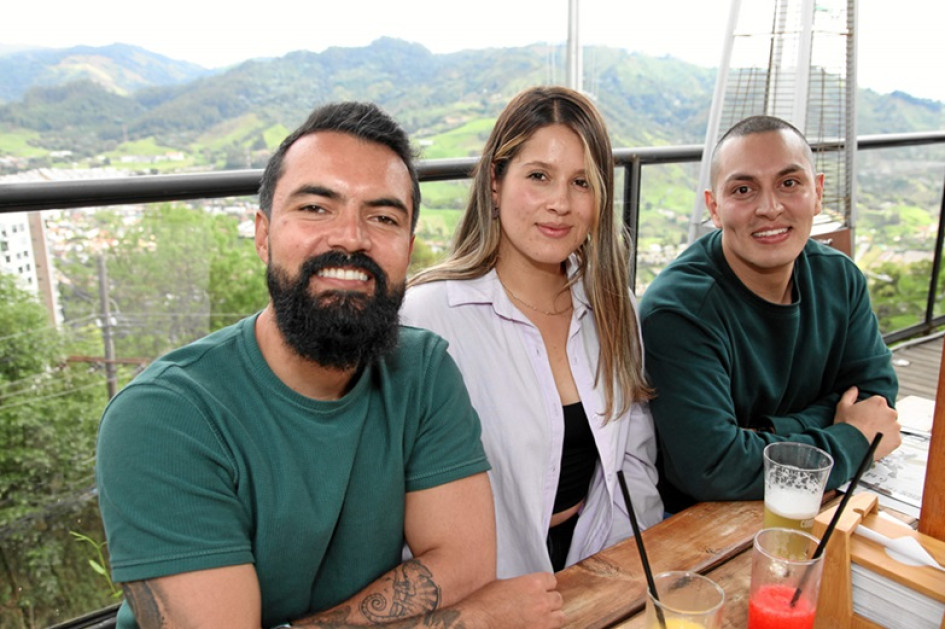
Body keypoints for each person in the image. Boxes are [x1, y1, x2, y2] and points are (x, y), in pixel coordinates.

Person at [95, 101, 565, 629]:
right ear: (263, 234)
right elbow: (470, 600)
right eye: (316, 208)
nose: (350, 237)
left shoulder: (423, 370)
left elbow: (464, 565)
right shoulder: (163, 420)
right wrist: (473, 621)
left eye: (382, 217)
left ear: (408, 250)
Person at [401, 86, 663, 577]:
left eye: (581, 182)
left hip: (597, 569)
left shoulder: (613, 306)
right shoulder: (425, 320)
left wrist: (636, 580)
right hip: (481, 589)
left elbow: (635, 468)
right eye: (539, 176)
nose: (560, 203)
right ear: (495, 183)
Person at [638, 115, 902, 513]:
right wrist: (850, 436)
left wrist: (764, 433)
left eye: (789, 183)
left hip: (814, 504)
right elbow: (715, 465)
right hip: (702, 526)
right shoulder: (679, 309)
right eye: (743, 189)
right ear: (714, 207)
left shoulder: (839, 277)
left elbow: (877, 399)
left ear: (818, 192)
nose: (770, 207)